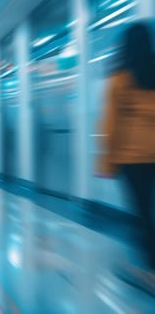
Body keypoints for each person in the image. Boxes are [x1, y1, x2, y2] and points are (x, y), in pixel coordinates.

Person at [99, 22, 155, 293]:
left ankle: (149, 272)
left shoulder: (120, 77)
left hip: (133, 158)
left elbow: (111, 124)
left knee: (142, 214)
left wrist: (106, 162)